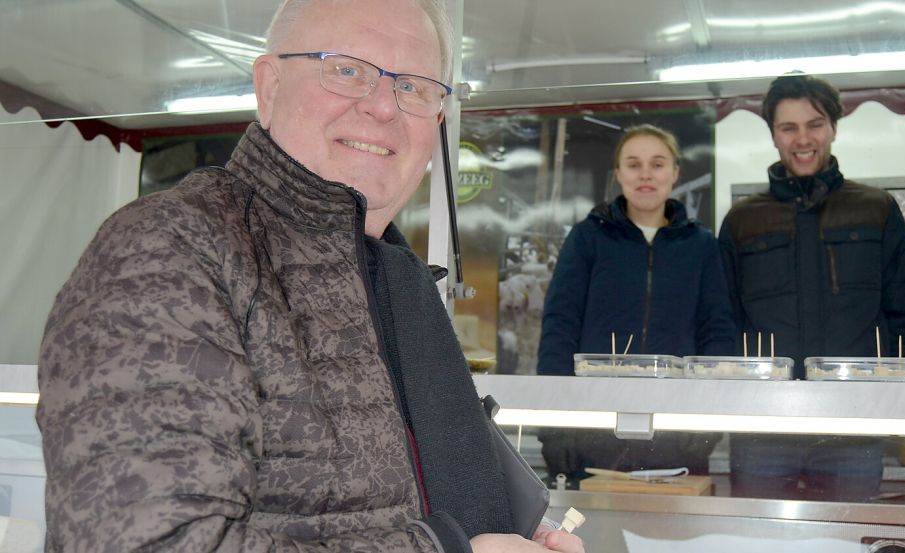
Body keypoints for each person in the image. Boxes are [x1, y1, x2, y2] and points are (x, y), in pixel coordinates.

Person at [34, 1, 584, 552]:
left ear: (438, 118)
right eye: (347, 70)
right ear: (269, 87)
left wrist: (519, 526)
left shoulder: (399, 276)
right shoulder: (171, 247)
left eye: (414, 87)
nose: (384, 108)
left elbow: (423, 481)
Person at [718, 73, 905, 501]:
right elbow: (723, 318)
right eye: (788, 127)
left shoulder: (877, 209)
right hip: (762, 425)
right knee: (758, 540)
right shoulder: (742, 219)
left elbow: (903, 310)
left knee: (846, 540)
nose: (802, 139)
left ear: (833, 127)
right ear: (773, 135)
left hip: (852, 425)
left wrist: (863, 376)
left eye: (814, 124)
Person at [536, 125, 736, 482]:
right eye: (634, 164)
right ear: (618, 174)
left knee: (669, 535)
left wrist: (708, 421)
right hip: (593, 429)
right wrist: (556, 424)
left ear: (675, 173)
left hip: (678, 431)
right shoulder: (588, 238)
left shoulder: (701, 245)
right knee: (591, 535)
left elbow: (717, 332)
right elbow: (559, 328)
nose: (646, 174)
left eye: (657, 164)